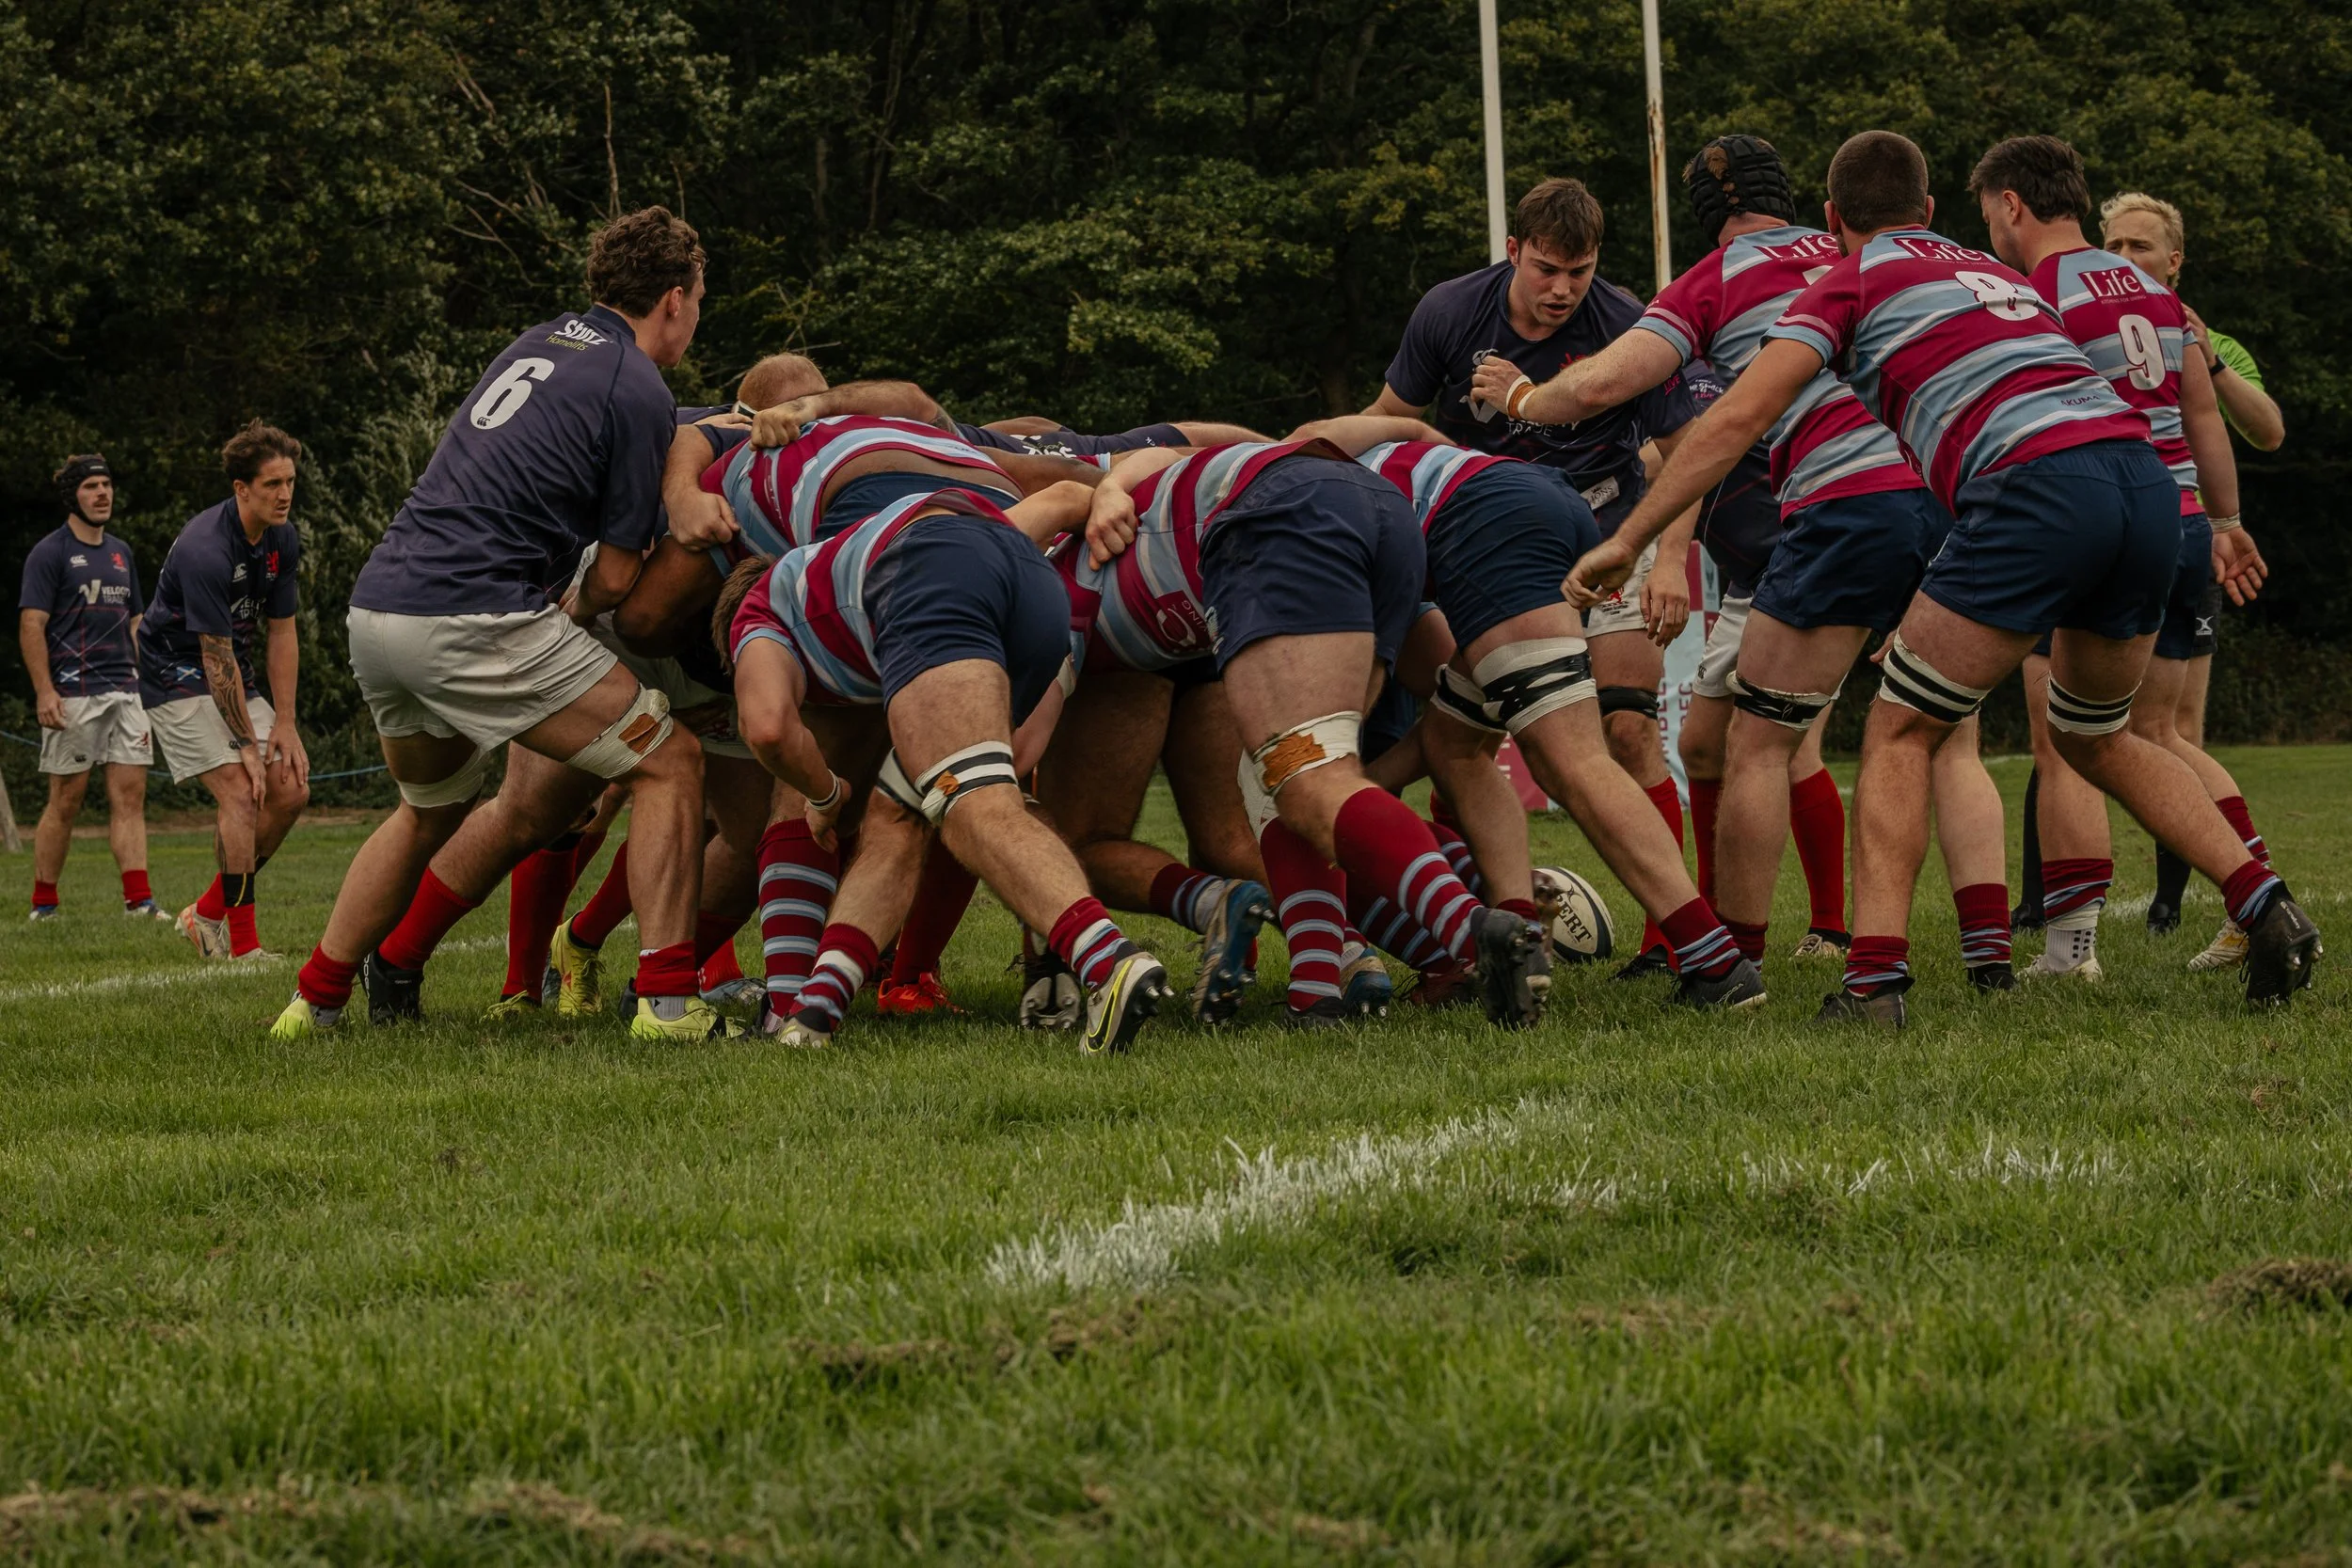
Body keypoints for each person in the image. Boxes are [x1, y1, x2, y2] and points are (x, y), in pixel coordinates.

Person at [1569, 130, 2317, 1024]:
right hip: (2143, 484)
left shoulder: (1847, 278)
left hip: (2034, 490)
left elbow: (1735, 420)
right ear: (1930, 211)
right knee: (2099, 735)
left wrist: (1635, 538)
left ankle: (1874, 980)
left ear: (1837, 219)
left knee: (1898, 733)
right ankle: (2267, 904)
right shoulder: (1999, 273)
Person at [1500, 135, 2011, 990]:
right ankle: (1989, 958)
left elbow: (1600, 391)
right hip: (1957, 494)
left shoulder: (1717, 280)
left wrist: (1518, 396)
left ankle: (1733, 959)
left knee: (1760, 744)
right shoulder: (1901, 258)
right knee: (1942, 739)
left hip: (1843, 507)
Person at [272, 206, 738, 1042]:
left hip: (380, 609)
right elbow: (623, 578)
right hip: (473, 616)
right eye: (699, 301)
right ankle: (670, 1004)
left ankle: (316, 1001)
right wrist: (571, 611)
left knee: (427, 809)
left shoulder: (539, 340)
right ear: (674, 299)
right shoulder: (638, 385)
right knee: (671, 762)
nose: (695, 320)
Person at [1084, 439, 1555, 1027]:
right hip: (1377, 512)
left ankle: (1472, 932)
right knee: (1284, 779)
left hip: (1281, 518)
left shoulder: (1059, 573)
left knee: (1305, 775)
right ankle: (1317, 995)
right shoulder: (1125, 495)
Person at [1368, 177, 1701, 973]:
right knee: (1464, 742)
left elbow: (1691, 448)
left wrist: (1674, 560)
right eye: (1546, 268)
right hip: (1484, 549)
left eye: (1578, 272)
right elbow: (1389, 421)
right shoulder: (1451, 311)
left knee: (1625, 726)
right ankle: (1493, 926)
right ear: (1513, 251)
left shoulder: (1626, 322)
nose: (1561, 290)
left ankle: (1670, 943)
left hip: (1608, 536)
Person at [721, 481, 1177, 1052]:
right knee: (899, 816)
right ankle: (814, 1014)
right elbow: (1062, 495)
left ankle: (1108, 961)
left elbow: (766, 727)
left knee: (972, 805)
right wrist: (1107, 496)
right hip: (1035, 592)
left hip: (928, 579)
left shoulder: (759, 609)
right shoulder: (857, 550)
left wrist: (824, 793)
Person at [1969, 138, 2270, 982]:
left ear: (2011, 204)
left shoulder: (2034, 292)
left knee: (2066, 735)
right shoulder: (2157, 294)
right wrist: (2228, 518)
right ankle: (2261, 891)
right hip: (2177, 524)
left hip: (2093, 521)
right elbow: (2204, 418)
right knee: (2152, 733)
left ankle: (2072, 950)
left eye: (1987, 208)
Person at [2095, 190, 2287, 942]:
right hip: (2140, 533)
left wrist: (2208, 358)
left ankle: (2204, 898)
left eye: (2139, 246)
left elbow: (2267, 430)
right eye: (2110, 245)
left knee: (2168, 731)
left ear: (2174, 261)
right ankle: (2053, 908)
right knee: (2091, 731)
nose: (2122, 259)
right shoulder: (2085, 325)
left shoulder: (2206, 337)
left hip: (2183, 538)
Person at [140, 422, 311, 958]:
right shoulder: (205, 549)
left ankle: (208, 911)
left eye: (290, 481)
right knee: (242, 792)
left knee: (290, 788)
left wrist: (285, 719)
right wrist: (243, 746)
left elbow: (282, 631)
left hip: (229, 668)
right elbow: (213, 656)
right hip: (174, 673)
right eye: (271, 485)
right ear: (241, 489)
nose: (284, 494)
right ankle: (242, 947)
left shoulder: (283, 537)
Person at [17, 453, 169, 923]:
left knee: (130, 798)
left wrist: (155, 687)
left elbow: (138, 623)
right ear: (73, 496)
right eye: (91, 487)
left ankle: (139, 903)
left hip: (126, 692)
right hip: (73, 694)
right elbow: (31, 624)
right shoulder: (51, 552)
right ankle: (44, 905)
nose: (102, 493)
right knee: (66, 800)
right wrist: (44, 692)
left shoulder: (122, 552)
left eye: (106, 484)